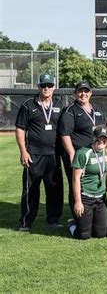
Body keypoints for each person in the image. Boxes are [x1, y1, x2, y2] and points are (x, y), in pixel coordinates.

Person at [16, 73, 64, 231]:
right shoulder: (28, 105)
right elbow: (20, 129)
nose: (46, 88)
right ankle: (26, 222)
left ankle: (53, 220)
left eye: (49, 85)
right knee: (31, 189)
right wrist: (23, 151)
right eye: (43, 85)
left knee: (54, 188)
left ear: (54, 87)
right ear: (38, 87)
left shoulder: (59, 104)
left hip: (54, 154)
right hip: (34, 154)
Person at [59, 81, 107, 216]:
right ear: (75, 94)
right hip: (79, 155)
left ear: (91, 93)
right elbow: (65, 133)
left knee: (98, 180)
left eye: (86, 91)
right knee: (77, 183)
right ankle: (77, 216)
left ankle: (97, 213)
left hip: (96, 153)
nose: (83, 94)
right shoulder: (70, 110)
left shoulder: (96, 110)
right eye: (80, 91)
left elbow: (104, 131)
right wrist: (71, 153)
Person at [69, 126, 107, 239]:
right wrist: (78, 202)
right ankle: (72, 224)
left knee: (101, 234)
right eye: (98, 138)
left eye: (104, 139)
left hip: (100, 198)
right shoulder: (83, 153)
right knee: (83, 236)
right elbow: (76, 178)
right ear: (93, 137)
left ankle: (88, 222)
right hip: (86, 197)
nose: (101, 141)